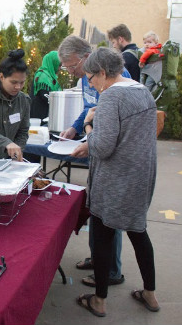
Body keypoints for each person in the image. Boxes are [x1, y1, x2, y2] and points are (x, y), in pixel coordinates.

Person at [72, 47, 159, 317]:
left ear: (102, 72)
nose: (90, 83)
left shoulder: (111, 96)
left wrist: (88, 126)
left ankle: (99, 300)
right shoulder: (141, 90)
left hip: (115, 181)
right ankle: (150, 294)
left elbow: (103, 147)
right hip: (141, 176)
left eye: (91, 78)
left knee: (103, 235)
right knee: (138, 232)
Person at [58, 35, 129, 288]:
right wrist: (75, 129)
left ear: (86, 58)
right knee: (96, 208)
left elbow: (117, 121)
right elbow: (89, 108)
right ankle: (97, 258)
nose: (69, 70)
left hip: (110, 154)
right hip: (95, 147)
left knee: (110, 213)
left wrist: (90, 139)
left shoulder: (117, 78)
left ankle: (111, 270)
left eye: (70, 65)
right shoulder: (87, 78)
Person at [30, 50, 62, 120]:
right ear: (53, 63)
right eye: (59, 65)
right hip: (39, 117)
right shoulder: (42, 76)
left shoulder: (50, 77)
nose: (60, 69)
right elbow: (45, 95)